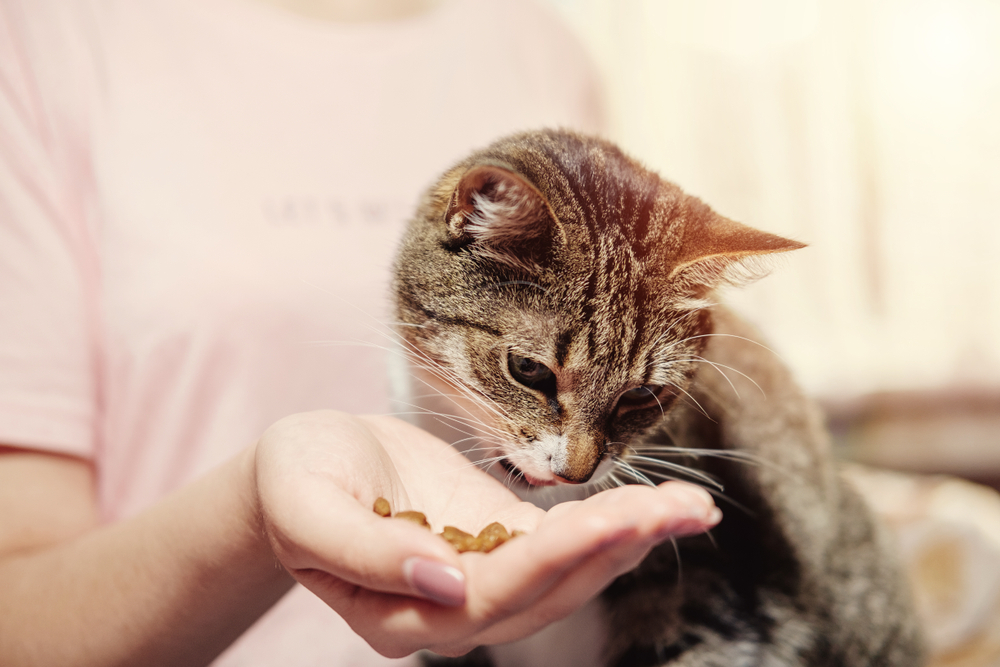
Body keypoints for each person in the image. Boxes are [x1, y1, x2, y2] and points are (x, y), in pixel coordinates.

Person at [0, 0, 721, 664]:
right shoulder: (44, 40)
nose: (578, 460)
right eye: (531, 374)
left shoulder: (537, 44)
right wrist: (259, 511)